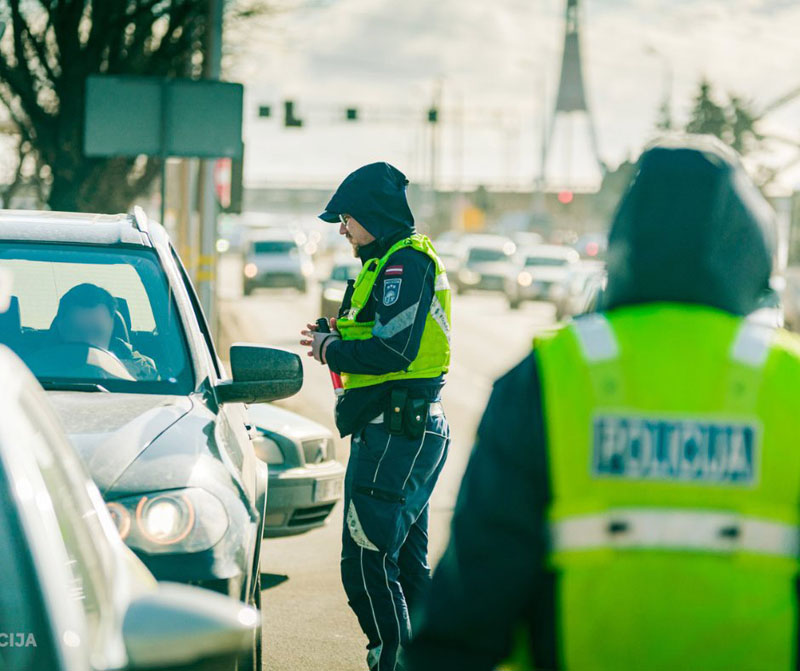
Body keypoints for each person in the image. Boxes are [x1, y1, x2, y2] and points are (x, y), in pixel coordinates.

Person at [404, 135, 800, 671]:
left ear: (624, 242)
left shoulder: (552, 376)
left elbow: (475, 594)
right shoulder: (787, 383)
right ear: (751, 249)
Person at [300, 162, 451, 671]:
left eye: (346, 218)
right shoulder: (383, 262)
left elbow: (394, 349)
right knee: (406, 566)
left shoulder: (404, 264)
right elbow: (375, 334)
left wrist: (332, 351)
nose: (342, 229)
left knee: (366, 560)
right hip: (397, 430)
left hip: (398, 433)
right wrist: (334, 337)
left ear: (372, 215)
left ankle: (394, 661)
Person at [50, 283, 157, 380]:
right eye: (78, 331)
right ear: (60, 326)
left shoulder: (143, 373)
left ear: (112, 327)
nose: (88, 341)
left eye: (97, 332)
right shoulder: (34, 374)